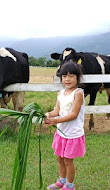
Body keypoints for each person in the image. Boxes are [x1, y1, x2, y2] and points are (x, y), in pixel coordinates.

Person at [44, 61, 86, 190]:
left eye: (71, 76)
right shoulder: (60, 93)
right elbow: (56, 111)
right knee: (60, 159)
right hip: (61, 132)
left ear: (78, 78)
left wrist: (55, 121)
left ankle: (70, 185)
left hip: (73, 134)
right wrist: (48, 115)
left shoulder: (78, 93)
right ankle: (61, 181)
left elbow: (74, 114)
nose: (67, 79)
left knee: (68, 161)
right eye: (64, 76)